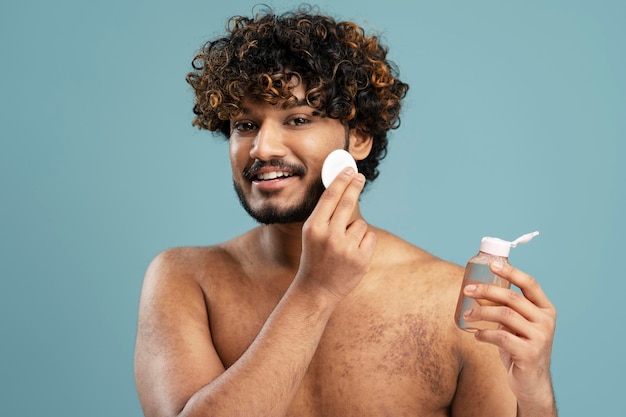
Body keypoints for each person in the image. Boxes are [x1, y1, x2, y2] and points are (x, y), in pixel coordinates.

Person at [134, 5, 558, 417]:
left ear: (359, 138)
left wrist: (535, 398)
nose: (262, 148)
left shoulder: (454, 303)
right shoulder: (185, 280)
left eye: (297, 119)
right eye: (245, 125)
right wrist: (314, 291)